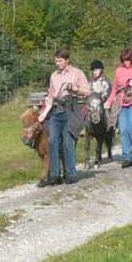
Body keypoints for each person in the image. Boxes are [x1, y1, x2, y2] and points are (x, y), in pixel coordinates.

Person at [36, 48, 89, 186]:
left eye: (60, 61)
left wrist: (75, 89)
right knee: (52, 141)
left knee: (67, 142)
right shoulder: (54, 76)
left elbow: (87, 91)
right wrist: (44, 113)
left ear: (67, 60)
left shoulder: (77, 73)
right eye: (56, 61)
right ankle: (55, 175)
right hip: (56, 110)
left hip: (70, 109)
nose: (57, 63)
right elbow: (51, 95)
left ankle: (71, 173)